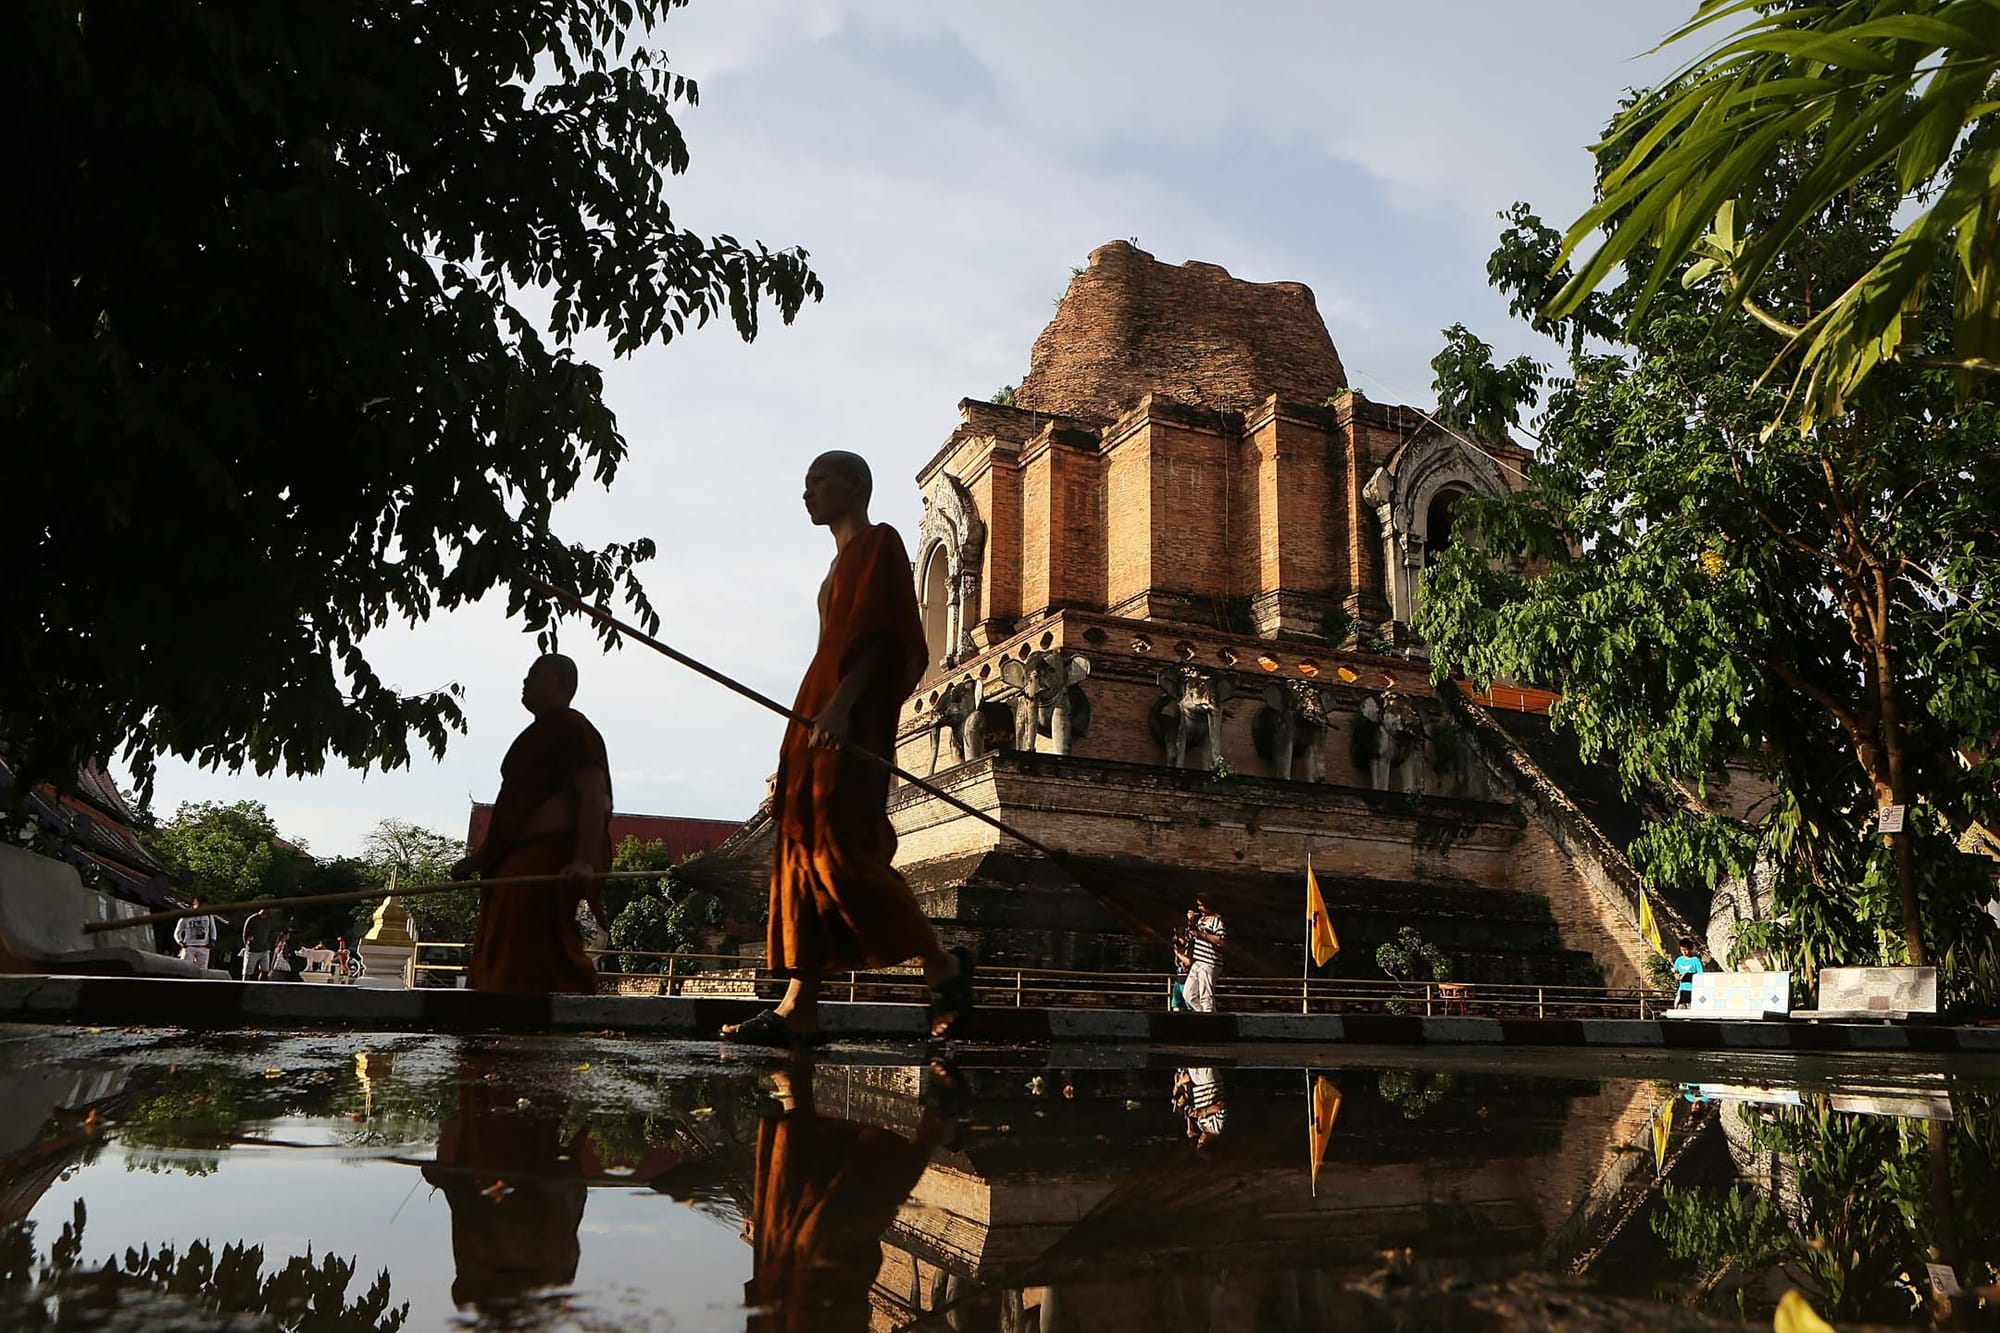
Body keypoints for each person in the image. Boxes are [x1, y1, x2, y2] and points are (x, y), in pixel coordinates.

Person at [722, 452, 972, 1047]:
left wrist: (842, 706)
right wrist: (811, 721)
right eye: (806, 482)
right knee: (802, 854)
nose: (808, 493)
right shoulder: (834, 569)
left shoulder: (880, 544)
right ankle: (798, 1007)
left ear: (856, 486)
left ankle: (944, 964)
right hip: (815, 716)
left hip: (848, 721)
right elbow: (829, 649)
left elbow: (881, 641)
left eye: (819, 480)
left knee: (840, 855)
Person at [453, 653, 613, 995]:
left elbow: (594, 795)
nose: (526, 682)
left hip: (548, 855)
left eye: (536, 675)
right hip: (513, 857)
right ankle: (493, 1019)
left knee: (535, 943)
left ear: (563, 685)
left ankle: (550, 1018)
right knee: (502, 942)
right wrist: (480, 859)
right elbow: (514, 811)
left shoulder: (574, 729)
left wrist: (584, 858)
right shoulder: (535, 736)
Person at [1182, 893, 1225, 1013]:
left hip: (1210, 962)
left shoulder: (1217, 920)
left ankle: (1210, 1019)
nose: (1199, 908)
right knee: (1188, 994)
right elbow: (1192, 935)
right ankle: (1204, 1016)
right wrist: (1190, 923)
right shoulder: (1201, 919)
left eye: (1201, 905)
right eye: (1198, 906)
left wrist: (1201, 934)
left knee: (1206, 996)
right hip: (1198, 961)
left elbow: (1221, 940)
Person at [171, 898, 224, 970]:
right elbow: (177, 932)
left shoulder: (208, 915)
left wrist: (213, 941)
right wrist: (180, 942)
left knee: (202, 970)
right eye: (199, 906)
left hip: (204, 947)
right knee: (185, 969)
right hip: (189, 947)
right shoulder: (186, 916)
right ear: (194, 905)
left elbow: (213, 929)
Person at [240, 906, 281, 981]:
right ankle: (245, 987)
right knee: (248, 972)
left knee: (265, 971)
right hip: (253, 949)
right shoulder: (253, 919)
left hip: (264, 949)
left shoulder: (270, 920)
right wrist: (247, 945)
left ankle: (261, 988)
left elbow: (272, 932)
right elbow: (245, 934)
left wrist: (269, 943)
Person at [1673, 938, 1705, 1007]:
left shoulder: (1696, 960)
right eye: (1682, 950)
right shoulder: (1679, 960)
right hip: (1682, 989)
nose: (1684, 952)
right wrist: (1677, 976)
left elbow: (1701, 975)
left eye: (1686, 950)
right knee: (1678, 1007)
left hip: (1693, 990)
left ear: (1690, 948)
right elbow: (1676, 971)